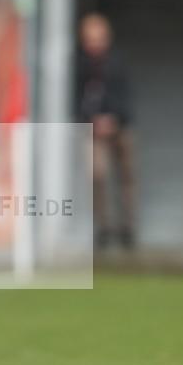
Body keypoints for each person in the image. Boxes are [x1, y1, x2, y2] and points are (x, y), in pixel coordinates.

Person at [75, 13, 135, 249]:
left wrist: (114, 118)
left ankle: (128, 227)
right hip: (92, 128)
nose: (95, 44)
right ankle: (104, 227)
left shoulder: (118, 62)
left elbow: (126, 95)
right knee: (98, 175)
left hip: (121, 125)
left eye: (99, 39)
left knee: (127, 176)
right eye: (90, 40)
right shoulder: (80, 65)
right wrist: (92, 120)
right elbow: (75, 98)